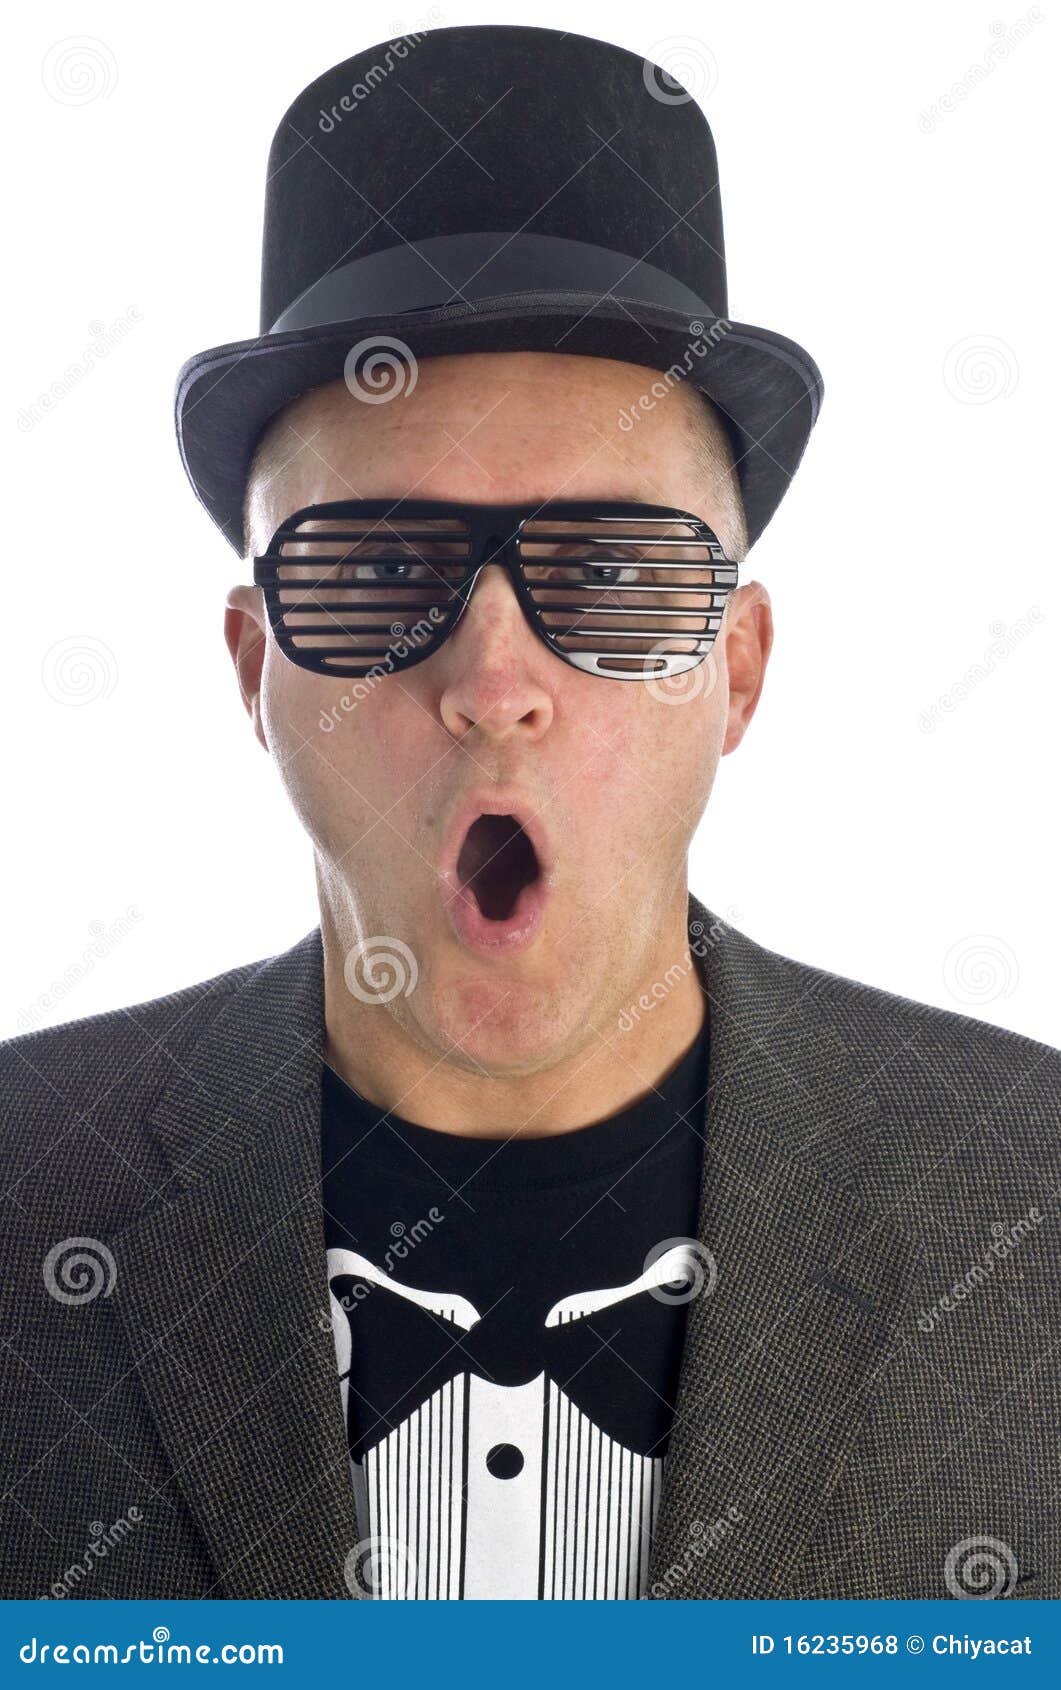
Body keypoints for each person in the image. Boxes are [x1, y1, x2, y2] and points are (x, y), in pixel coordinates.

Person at [2, 24, 1057, 1603]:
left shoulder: (1028, 1198)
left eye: (615, 579)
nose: (494, 678)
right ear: (252, 667)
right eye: (371, 575)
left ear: (739, 671)